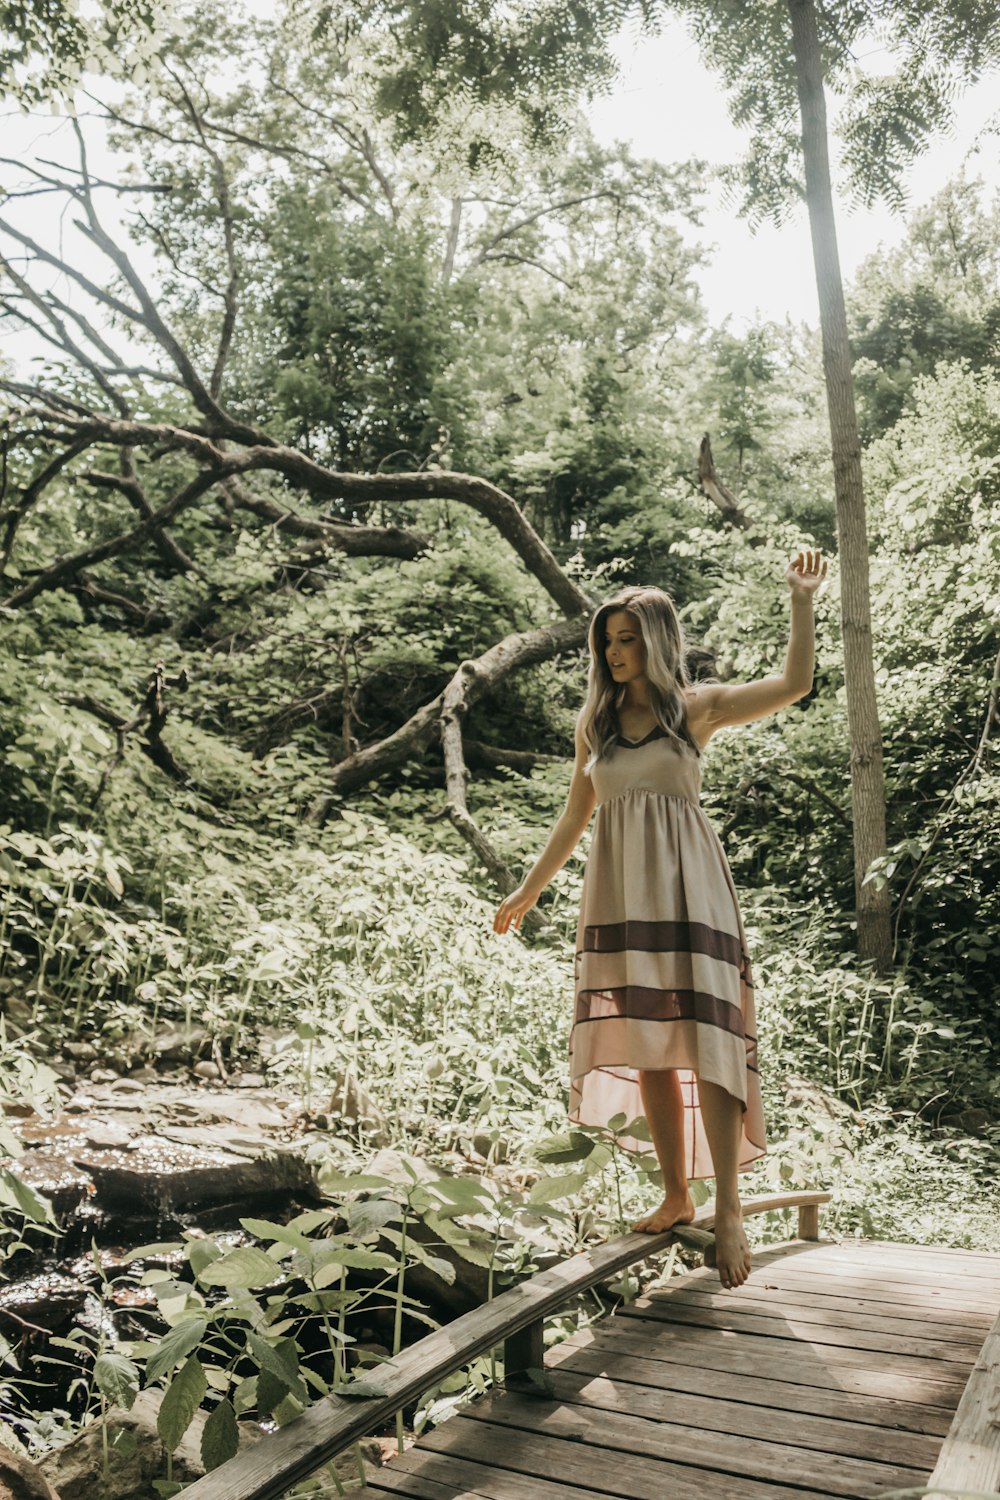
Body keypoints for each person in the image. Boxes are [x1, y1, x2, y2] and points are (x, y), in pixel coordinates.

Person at [493, 550, 826, 1290]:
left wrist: (801, 602)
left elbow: (795, 684)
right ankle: (678, 1193)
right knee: (647, 1042)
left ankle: (729, 1208)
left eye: (627, 640)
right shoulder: (598, 726)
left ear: (657, 641)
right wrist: (528, 889)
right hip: (618, 897)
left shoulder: (694, 709)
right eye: (607, 641)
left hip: (690, 892)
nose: (614, 654)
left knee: (708, 1041)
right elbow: (575, 818)